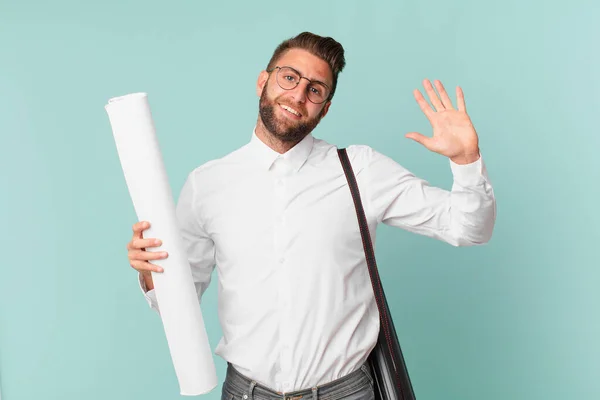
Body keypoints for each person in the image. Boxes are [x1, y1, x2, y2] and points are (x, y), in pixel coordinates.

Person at [126, 32, 496, 400]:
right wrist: (150, 272)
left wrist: (466, 160)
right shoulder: (206, 184)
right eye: (289, 77)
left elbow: (468, 228)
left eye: (316, 89)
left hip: (345, 392)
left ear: (326, 107)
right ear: (263, 80)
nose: (299, 95)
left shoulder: (360, 170)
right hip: (245, 393)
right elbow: (178, 302)